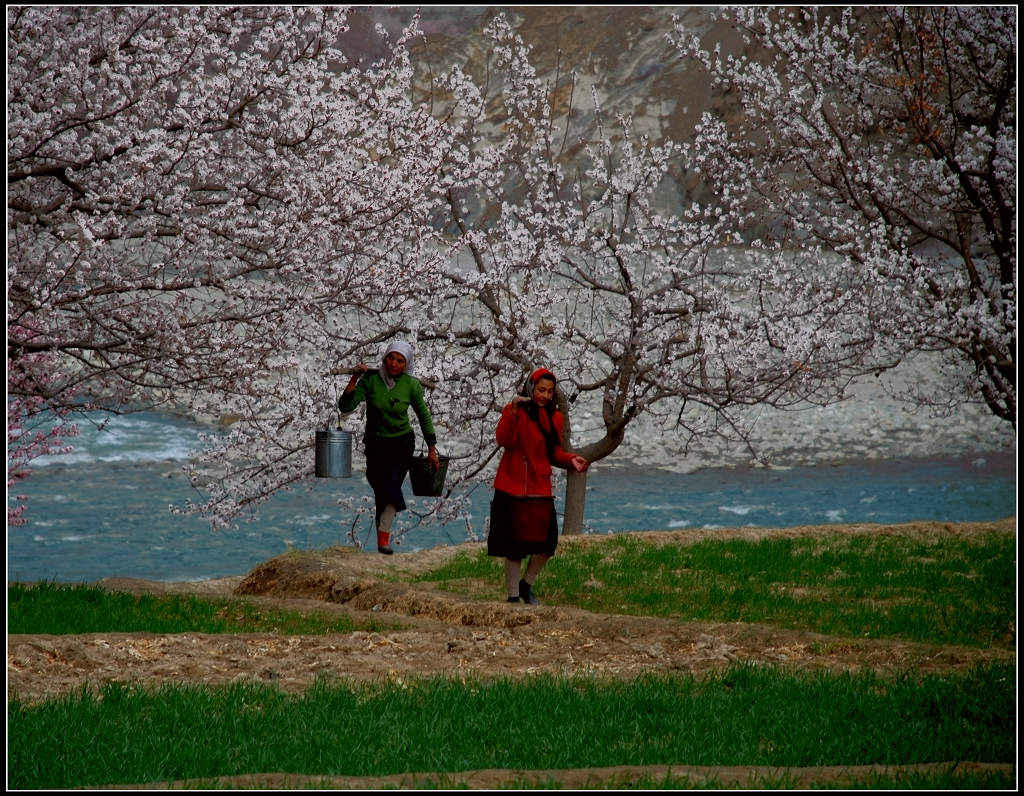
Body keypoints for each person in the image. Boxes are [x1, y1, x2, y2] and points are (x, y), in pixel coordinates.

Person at [488, 367, 588, 604]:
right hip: (513, 487)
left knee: (547, 544)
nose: (545, 395)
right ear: (531, 388)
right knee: (514, 548)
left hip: (540, 488)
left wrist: (570, 460)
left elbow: (553, 452)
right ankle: (512, 597)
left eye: (550, 392)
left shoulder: (555, 417)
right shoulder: (516, 410)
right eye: (541, 390)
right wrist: (512, 412)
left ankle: (526, 585)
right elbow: (504, 439)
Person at [339, 340, 439, 554]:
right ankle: (381, 541)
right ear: (384, 358)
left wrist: (432, 447)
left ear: (406, 364)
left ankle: (384, 539)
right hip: (375, 444)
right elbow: (346, 406)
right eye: (390, 358)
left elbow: (424, 416)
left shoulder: (411, 385)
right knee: (379, 488)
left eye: (400, 360)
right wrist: (355, 378)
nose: (394, 364)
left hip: (402, 443)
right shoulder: (371, 380)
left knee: (391, 486)